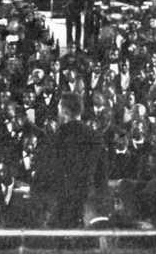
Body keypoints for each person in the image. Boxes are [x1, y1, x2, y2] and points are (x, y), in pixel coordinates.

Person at [38, 92, 108, 228]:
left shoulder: (57, 137)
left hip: (62, 204)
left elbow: (47, 172)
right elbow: (102, 175)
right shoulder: (96, 137)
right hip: (88, 204)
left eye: (59, 110)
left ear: (64, 111)